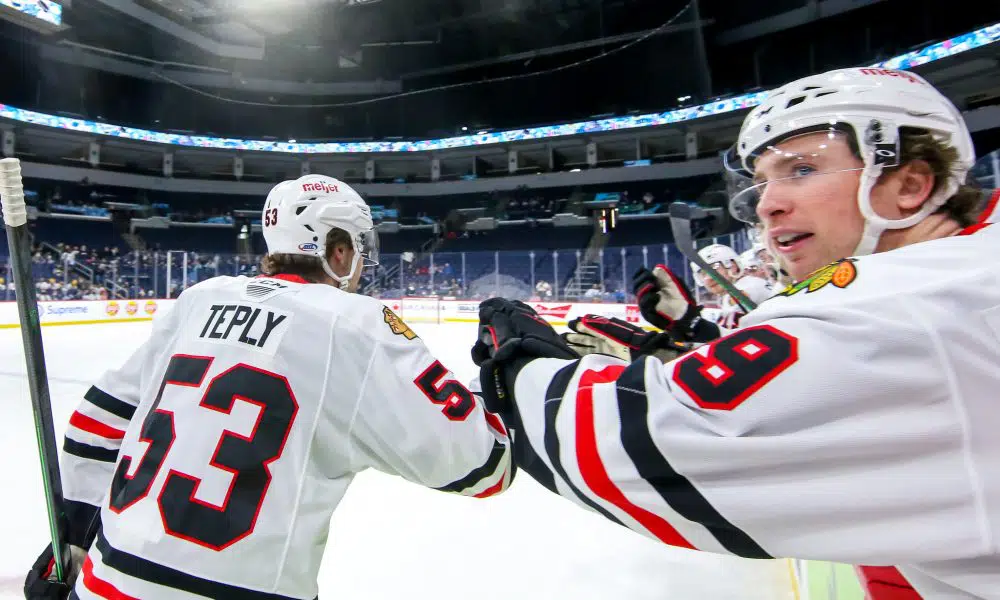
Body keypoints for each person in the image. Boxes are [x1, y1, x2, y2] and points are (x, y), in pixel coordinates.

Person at [471, 67, 999, 599]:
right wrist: (686, 338)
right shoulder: (966, 273)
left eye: (802, 169)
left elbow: (647, 447)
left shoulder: (903, 303)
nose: (767, 204)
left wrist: (521, 369)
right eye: (762, 181)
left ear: (910, 185)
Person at [25, 175, 512, 600]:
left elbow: (99, 418)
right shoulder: (356, 325)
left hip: (107, 582)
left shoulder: (200, 299)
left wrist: (73, 536)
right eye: (357, 245)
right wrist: (502, 373)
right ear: (338, 250)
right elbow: (482, 466)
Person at [690, 243, 773, 327]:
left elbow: (731, 331)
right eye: (702, 273)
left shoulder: (745, 289)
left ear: (733, 266)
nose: (708, 278)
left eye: (714, 268)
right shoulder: (748, 285)